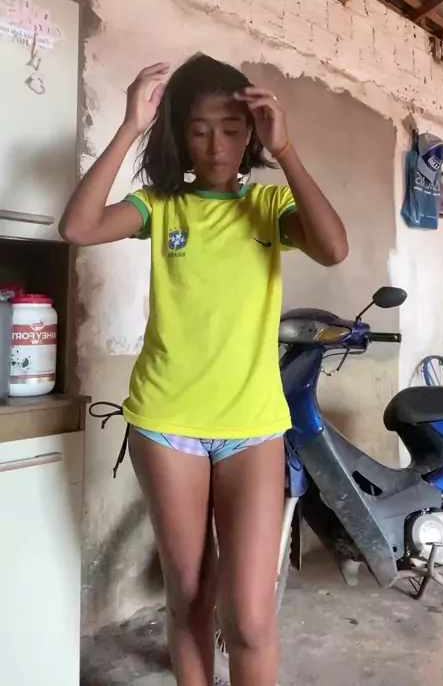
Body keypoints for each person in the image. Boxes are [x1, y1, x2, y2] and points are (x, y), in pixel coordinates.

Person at [60, 54, 348, 686]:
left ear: (251, 134)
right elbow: (78, 227)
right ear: (179, 134)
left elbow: (334, 248)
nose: (216, 145)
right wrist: (130, 126)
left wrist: (288, 150)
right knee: (189, 595)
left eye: (231, 128)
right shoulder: (161, 206)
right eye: (198, 129)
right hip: (168, 424)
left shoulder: (269, 205)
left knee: (249, 618)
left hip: (253, 427)